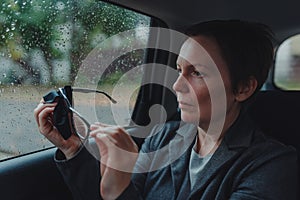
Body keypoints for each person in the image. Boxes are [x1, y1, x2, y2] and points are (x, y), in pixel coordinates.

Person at [34, 20, 299, 200]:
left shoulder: (274, 165)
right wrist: (72, 149)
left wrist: (118, 189)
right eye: (179, 69)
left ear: (243, 89)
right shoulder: (164, 137)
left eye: (197, 73)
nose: (176, 85)